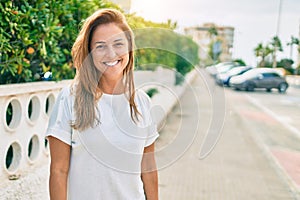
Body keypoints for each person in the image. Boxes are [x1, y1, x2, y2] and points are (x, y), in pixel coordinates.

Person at [46, 8, 159, 200]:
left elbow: (148, 170)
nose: (111, 53)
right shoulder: (69, 99)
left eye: (118, 44)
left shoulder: (142, 103)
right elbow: (58, 171)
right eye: (100, 46)